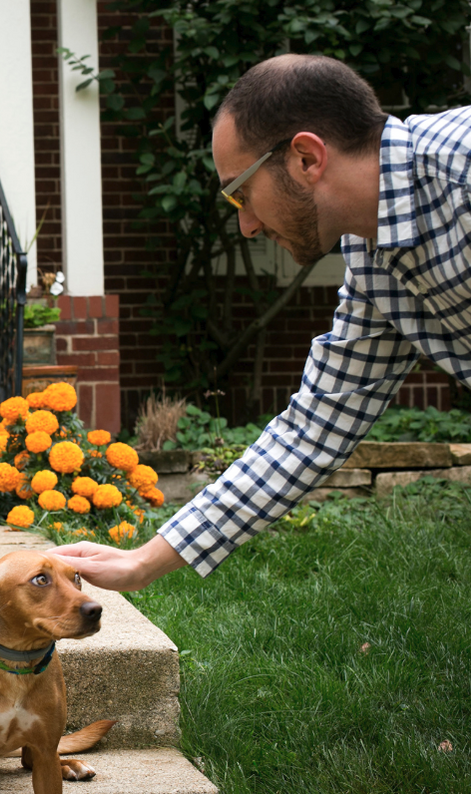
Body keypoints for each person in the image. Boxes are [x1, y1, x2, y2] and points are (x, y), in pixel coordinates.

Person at [55, 53, 471, 591]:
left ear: (305, 158)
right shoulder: (373, 261)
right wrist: (143, 561)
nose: (245, 224)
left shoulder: (461, 171)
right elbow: (311, 432)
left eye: (241, 192)